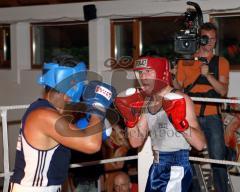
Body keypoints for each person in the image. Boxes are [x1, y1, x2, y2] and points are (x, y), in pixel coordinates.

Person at [9, 55, 116, 192]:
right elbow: (92, 145)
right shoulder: (43, 116)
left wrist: (88, 126)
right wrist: (98, 106)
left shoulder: (50, 113)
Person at [115, 56, 206, 191]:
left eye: (148, 71)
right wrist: (130, 120)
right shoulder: (147, 102)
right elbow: (135, 142)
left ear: (161, 72)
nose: (143, 77)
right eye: (140, 72)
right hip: (156, 166)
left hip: (176, 167)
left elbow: (200, 144)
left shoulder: (181, 99)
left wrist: (182, 125)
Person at [174, 22, 230, 192]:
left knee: (218, 160)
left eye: (213, 39)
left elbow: (223, 91)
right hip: (191, 116)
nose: (210, 42)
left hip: (212, 115)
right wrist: (172, 75)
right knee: (187, 158)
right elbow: (178, 89)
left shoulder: (221, 62)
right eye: (207, 38)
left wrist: (208, 76)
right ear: (199, 39)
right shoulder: (187, 61)